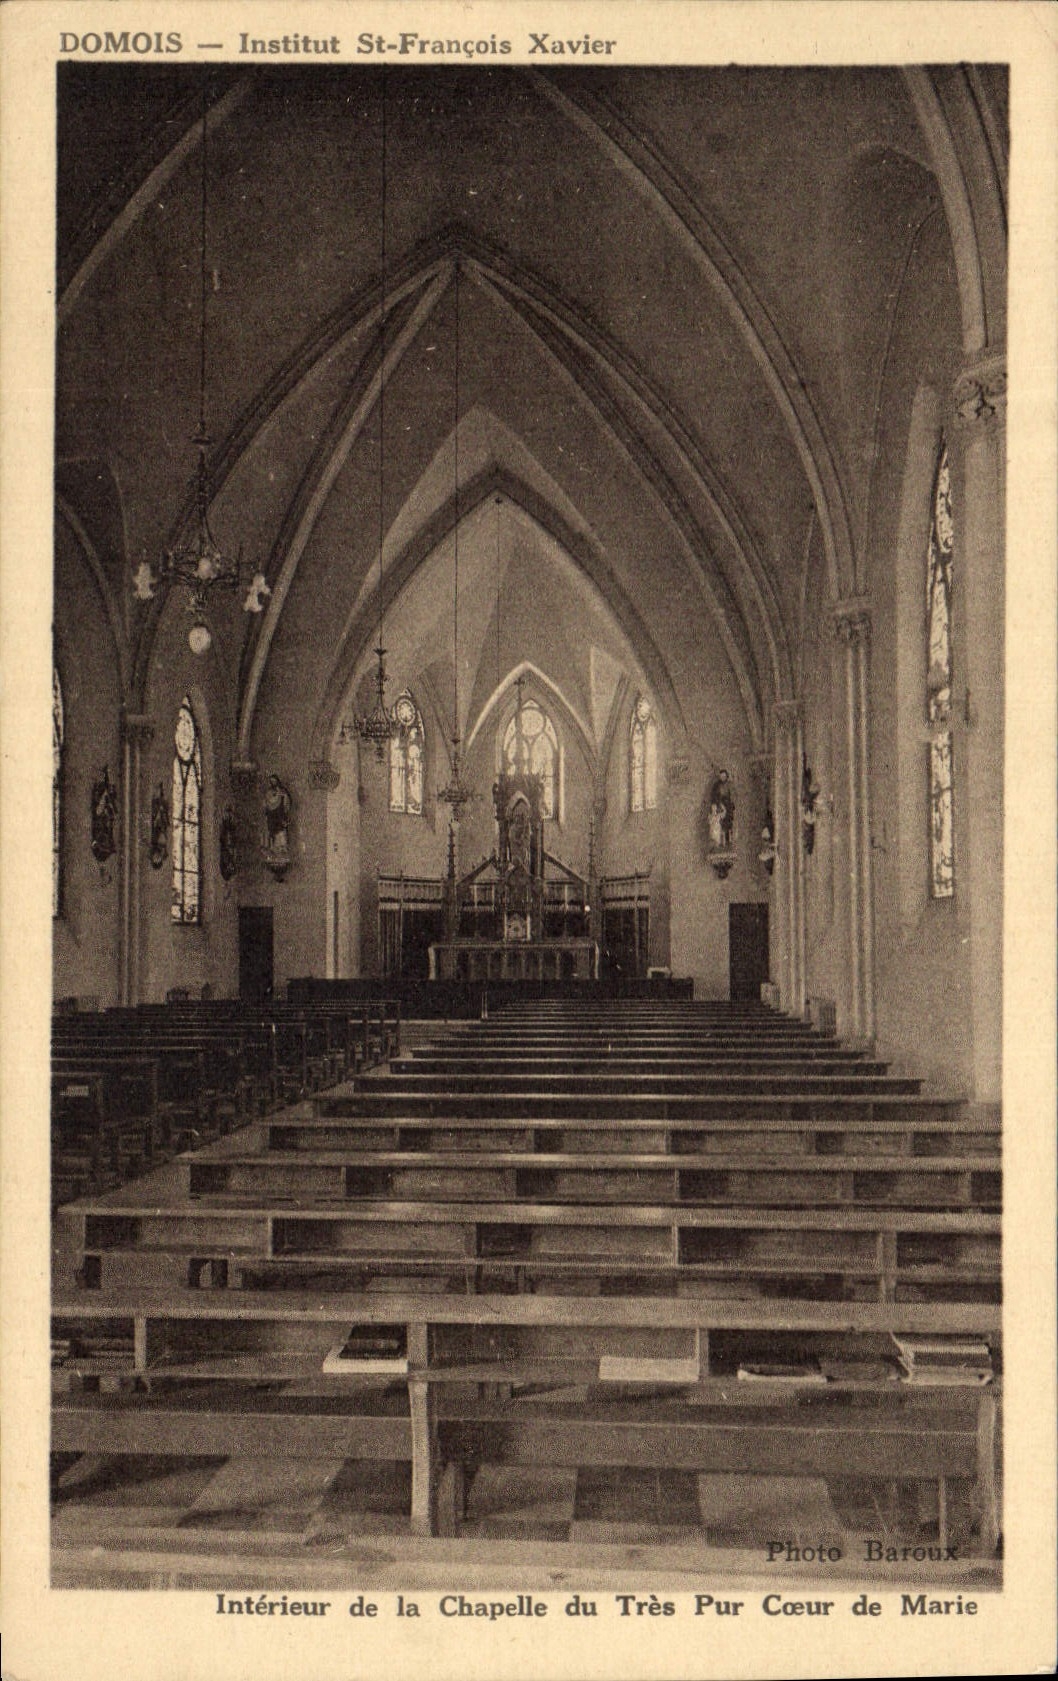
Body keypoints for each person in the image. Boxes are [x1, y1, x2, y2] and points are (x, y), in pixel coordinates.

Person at [263, 775, 292, 856]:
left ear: (278, 782)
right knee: (272, 834)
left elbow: (287, 803)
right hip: (271, 817)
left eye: (274, 781)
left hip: (280, 815)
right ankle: (273, 850)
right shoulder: (268, 792)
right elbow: (266, 803)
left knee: (281, 833)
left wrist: (283, 796)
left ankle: (282, 850)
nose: (273, 783)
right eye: (271, 782)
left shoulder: (282, 792)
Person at [708, 770, 734, 850]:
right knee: (719, 825)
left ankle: (728, 841)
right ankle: (719, 843)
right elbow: (715, 797)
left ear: (726, 777)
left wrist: (730, 805)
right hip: (720, 807)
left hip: (728, 807)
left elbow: (731, 796)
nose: (723, 778)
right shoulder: (717, 786)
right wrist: (719, 805)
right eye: (721, 776)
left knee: (728, 824)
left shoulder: (729, 785)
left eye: (724, 776)